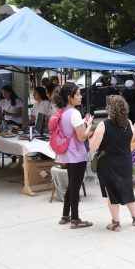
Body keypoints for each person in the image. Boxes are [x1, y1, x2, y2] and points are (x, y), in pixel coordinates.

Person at [89, 96, 135, 231]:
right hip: (125, 162)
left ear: (110, 109)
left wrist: (90, 135)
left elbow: (93, 147)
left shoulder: (103, 125)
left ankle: (116, 223)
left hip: (108, 164)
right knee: (127, 189)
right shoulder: (128, 123)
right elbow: (128, 140)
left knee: (111, 193)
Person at [55, 82, 94, 229]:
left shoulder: (63, 111)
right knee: (75, 186)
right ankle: (75, 219)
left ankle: (65, 215)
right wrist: (89, 124)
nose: (81, 96)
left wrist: (83, 123)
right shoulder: (75, 113)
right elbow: (82, 137)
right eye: (78, 94)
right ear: (70, 97)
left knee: (72, 184)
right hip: (77, 155)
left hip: (67, 154)